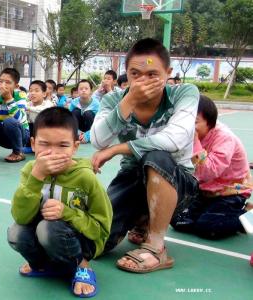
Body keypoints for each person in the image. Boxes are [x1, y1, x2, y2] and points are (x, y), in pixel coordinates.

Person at [90, 38, 200, 273]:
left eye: (153, 74)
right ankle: (142, 218)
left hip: (177, 182)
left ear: (168, 73)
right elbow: (98, 140)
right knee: (95, 244)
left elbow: (175, 139)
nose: (143, 81)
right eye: (135, 74)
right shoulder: (113, 99)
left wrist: (116, 149)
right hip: (132, 177)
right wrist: (129, 100)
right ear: (127, 74)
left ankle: (157, 247)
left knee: (156, 156)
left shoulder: (184, 93)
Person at [7, 107, 112, 298]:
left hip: (82, 240)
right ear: (33, 143)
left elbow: (101, 228)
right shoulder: (30, 170)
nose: (53, 153)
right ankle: (45, 265)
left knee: (48, 228)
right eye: (45, 144)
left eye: (63, 146)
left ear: (75, 146)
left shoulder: (86, 178)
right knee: (16, 232)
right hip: (46, 234)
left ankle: (81, 265)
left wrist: (67, 213)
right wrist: (37, 176)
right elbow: (20, 217)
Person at [171, 95, 252, 239]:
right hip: (205, 191)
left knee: (208, 227)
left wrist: (194, 141)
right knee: (178, 220)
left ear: (210, 123)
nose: (187, 126)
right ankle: (212, 214)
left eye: (194, 122)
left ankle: (246, 215)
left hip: (231, 192)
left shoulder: (224, 138)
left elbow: (207, 172)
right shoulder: (184, 133)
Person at [24, 80, 53, 153]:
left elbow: (41, 110)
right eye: (30, 91)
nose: (33, 93)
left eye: (36, 91)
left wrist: (28, 108)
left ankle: (44, 146)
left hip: (46, 130)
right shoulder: (28, 104)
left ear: (44, 94)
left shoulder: (48, 104)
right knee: (27, 125)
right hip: (32, 131)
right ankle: (30, 145)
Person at [69, 79, 100, 144]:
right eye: (81, 89)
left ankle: (90, 136)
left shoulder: (96, 104)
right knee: (75, 112)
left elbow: (99, 122)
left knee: (88, 113)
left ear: (91, 91)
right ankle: (76, 135)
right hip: (78, 129)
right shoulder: (74, 102)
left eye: (86, 88)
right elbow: (68, 119)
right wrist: (78, 133)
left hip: (91, 129)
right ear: (77, 91)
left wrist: (87, 136)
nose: (83, 90)